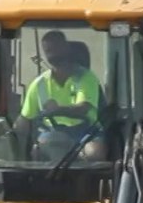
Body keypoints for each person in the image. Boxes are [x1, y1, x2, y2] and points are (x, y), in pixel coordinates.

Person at [14, 31, 105, 161]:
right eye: (48, 50)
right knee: (37, 152)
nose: (53, 53)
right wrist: (11, 134)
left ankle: (90, 181)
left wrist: (57, 110)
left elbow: (83, 109)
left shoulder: (86, 78)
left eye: (56, 48)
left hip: (85, 133)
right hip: (50, 133)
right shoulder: (39, 84)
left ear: (67, 48)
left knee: (95, 152)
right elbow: (25, 119)